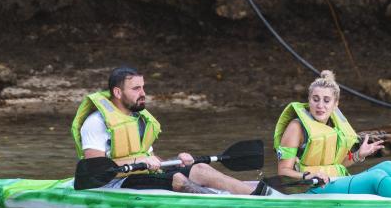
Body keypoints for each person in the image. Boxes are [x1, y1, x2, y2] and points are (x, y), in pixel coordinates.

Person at [71, 66, 266, 195]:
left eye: (143, 87)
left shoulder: (138, 118)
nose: (143, 94)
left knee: (200, 169)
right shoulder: (96, 122)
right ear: (117, 92)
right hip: (112, 184)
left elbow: (150, 159)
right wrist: (143, 161)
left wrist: (174, 162)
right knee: (179, 179)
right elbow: (93, 166)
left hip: (141, 175)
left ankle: (256, 196)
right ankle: (227, 203)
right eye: (136, 89)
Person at [274, 70, 391, 198]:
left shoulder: (333, 125)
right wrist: (309, 175)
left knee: (387, 166)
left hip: (335, 182)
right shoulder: (296, 127)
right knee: (376, 177)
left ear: (335, 105)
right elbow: (283, 172)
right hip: (309, 188)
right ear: (309, 100)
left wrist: (358, 155)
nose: (320, 105)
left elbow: (336, 164)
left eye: (326, 101)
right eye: (315, 99)